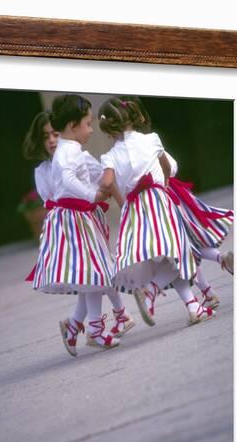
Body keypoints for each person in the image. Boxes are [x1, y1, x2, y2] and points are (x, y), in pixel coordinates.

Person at [98, 97, 216, 326]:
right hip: (158, 202)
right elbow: (167, 166)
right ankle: (151, 291)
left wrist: (104, 185)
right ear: (131, 117)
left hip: (135, 212)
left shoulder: (109, 156)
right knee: (177, 254)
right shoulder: (151, 139)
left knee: (168, 260)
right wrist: (164, 183)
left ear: (108, 128)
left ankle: (193, 306)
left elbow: (108, 182)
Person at [31, 96, 133, 355]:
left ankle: (81, 326)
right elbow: (66, 180)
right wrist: (92, 195)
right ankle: (95, 330)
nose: (91, 129)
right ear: (74, 125)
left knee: (93, 277)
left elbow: (96, 171)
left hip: (82, 220)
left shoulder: (74, 151)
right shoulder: (66, 153)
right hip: (73, 221)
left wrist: (113, 179)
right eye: (88, 124)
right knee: (95, 275)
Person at [117, 95, 234, 310]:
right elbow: (173, 166)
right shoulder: (148, 141)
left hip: (164, 203)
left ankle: (206, 286)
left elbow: (168, 167)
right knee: (184, 248)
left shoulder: (139, 146)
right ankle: (214, 274)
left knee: (180, 251)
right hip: (172, 199)